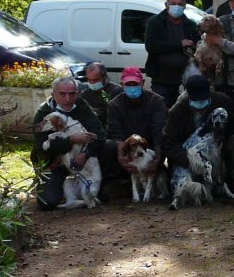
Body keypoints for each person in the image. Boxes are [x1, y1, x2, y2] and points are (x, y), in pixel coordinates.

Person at [161, 75, 234, 199]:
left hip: (217, 148)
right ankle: (189, 188)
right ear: (188, 95)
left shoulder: (224, 101)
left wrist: (222, 136)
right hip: (189, 156)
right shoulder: (178, 110)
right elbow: (167, 142)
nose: (200, 102)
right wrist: (189, 160)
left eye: (204, 98)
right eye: (196, 99)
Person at [32, 76, 106, 210]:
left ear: (77, 94)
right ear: (53, 94)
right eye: (62, 94)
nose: (68, 99)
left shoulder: (81, 106)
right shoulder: (44, 112)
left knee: (110, 147)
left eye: (72, 94)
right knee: (47, 202)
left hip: (82, 160)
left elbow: (100, 134)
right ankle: (61, 188)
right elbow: (41, 148)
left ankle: (100, 187)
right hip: (55, 162)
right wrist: (71, 140)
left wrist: (86, 154)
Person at [102, 67, 169, 199]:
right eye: (128, 84)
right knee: (108, 145)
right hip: (128, 150)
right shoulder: (114, 105)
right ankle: (116, 179)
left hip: (150, 150)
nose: (132, 87)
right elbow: (116, 133)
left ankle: (164, 178)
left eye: (135, 84)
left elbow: (159, 132)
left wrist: (157, 158)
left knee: (168, 142)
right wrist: (121, 157)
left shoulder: (156, 101)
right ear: (122, 85)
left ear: (142, 83)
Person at [144, 0, 199, 100]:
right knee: (162, 109)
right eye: (173, 3)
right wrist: (179, 44)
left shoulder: (191, 25)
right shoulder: (155, 22)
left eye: (180, 4)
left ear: (184, 6)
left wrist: (193, 46)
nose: (176, 7)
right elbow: (151, 46)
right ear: (166, 5)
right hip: (162, 78)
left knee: (187, 109)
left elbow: (198, 47)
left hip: (188, 76)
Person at [79, 61, 123, 126]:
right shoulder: (85, 94)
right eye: (89, 79)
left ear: (104, 78)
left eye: (95, 80)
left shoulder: (117, 91)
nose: (91, 83)